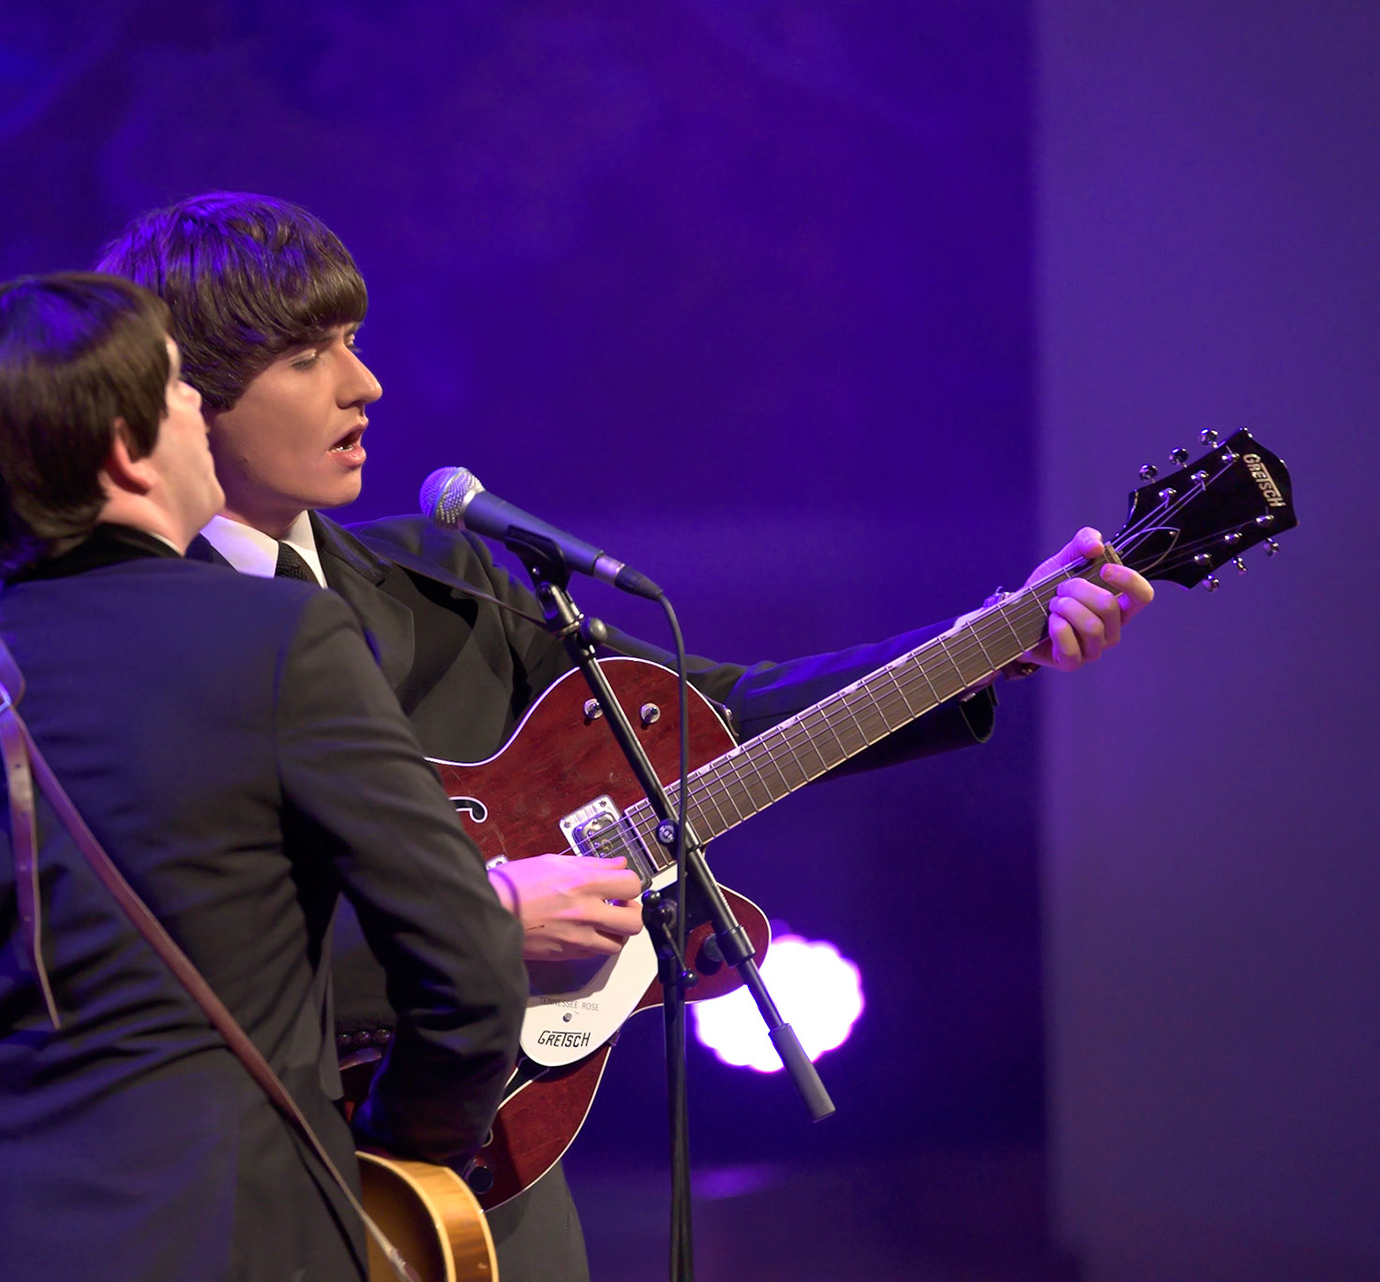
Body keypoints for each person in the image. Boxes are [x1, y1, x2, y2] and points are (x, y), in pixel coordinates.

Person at [96, 192, 1157, 1281]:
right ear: (186, 391)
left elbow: (717, 719)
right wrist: (481, 924)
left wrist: (989, 640)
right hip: (240, 1198)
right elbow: (134, 961)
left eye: (354, 344)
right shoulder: (109, 641)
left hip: (489, 1191)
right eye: (307, 356)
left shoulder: (441, 577)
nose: (363, 385)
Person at [0, 272, 529, 1282]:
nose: (201, 406)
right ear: (124, 450)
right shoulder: (282, 646)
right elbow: (467, 967)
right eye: (178, 387)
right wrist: (396, 1162)